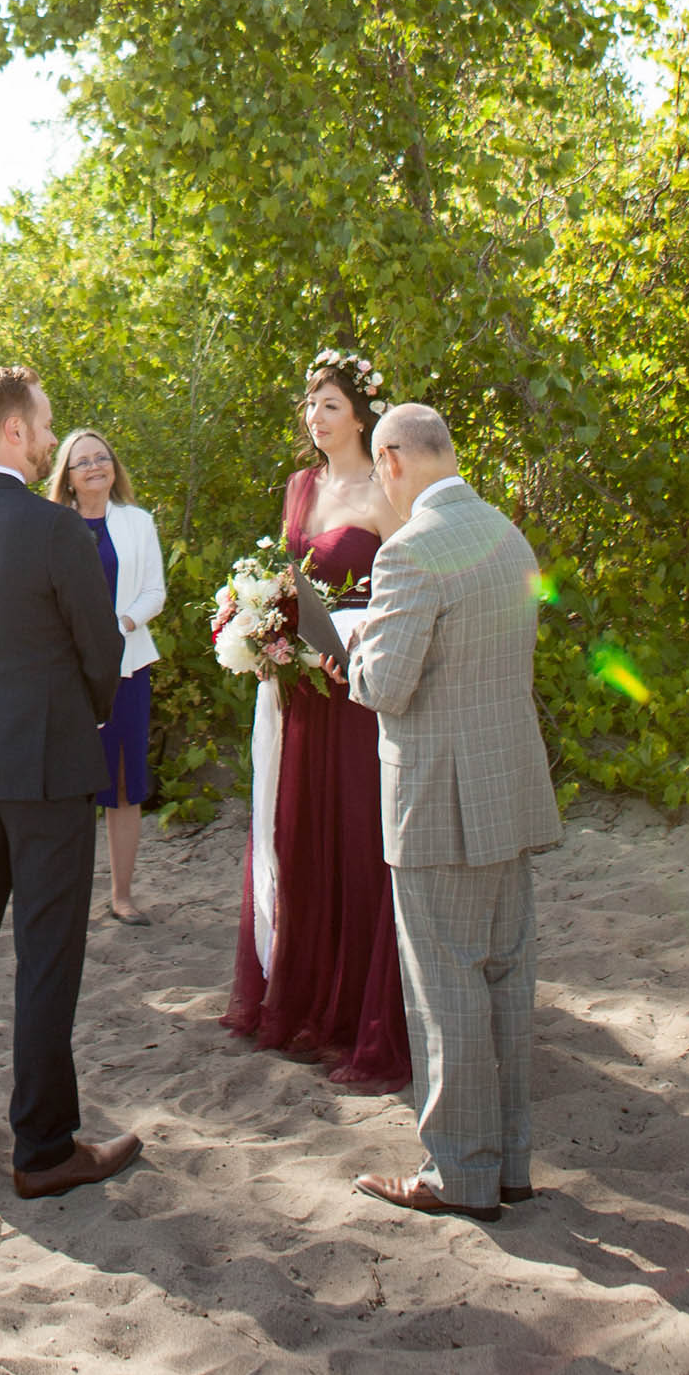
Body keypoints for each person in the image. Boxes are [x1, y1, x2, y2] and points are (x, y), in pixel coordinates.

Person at [0, 365, 142, 1200]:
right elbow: (101, 656)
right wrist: (76, 716)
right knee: (47, 954)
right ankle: (44, 1147)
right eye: (43, 423)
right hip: (45, 764)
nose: (50, 437)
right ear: (13, 431)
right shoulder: (55, 531)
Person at [342, 401, 562, 1223]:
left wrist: (354, 646)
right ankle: (509, 1163)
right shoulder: (509, 537)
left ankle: (458, 1176)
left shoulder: (410, 553)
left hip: (438, 796)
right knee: (507, 978)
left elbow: (386, 687)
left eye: (377, 469)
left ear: (394, 459)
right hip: (508, 788)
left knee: (446, 991)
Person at [222, 350, 411, 1088]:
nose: (315, 416)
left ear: (361, 413)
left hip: (356, 687)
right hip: (303, 685)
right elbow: (291, 579)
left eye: (329, 404)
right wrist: (262, 622)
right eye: (309, 405)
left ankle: (357, 1008)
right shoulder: (300, 487)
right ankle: (302, 996)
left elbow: (400, 586)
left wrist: (357, 643)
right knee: (300, 832)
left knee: (357, 832)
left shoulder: (388, 486)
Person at [44, 429, 166, 923]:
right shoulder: (51, 526)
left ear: (113, 466)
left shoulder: (137, 522)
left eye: (102, 458)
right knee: (68, 787)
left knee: (122, 784)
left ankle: (121, 895)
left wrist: (116, 627)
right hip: (67, 674)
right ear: (67, 478)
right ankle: (63, 897)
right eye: (82, 462)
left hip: (127, 668)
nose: (95, 466)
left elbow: (154, 591)